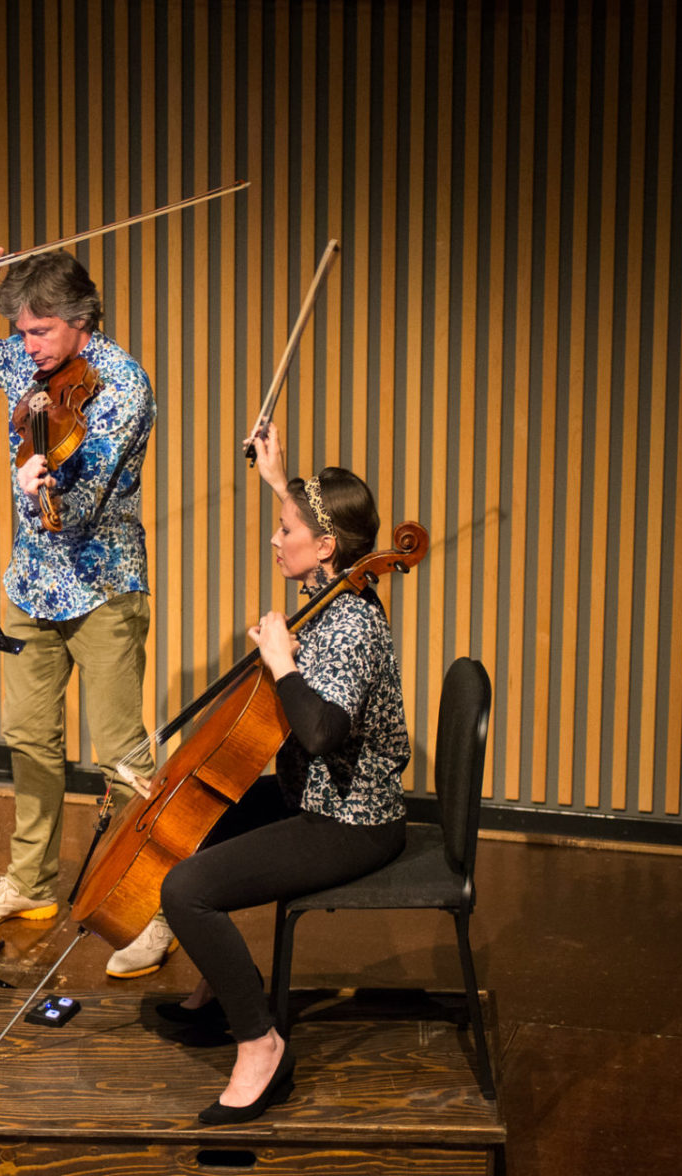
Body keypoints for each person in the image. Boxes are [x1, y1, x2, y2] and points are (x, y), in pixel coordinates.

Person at [0, 248, 172, 978]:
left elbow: (82, 507)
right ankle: (30, 885)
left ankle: (150, 909)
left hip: (104, 588)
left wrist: (36, 485)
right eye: (21, 334)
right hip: (31, 585)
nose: (26, 348)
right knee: (29, 739)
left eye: (38, 333)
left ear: (81, 322)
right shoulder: (24, 363)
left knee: (122, 758)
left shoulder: (122, 386)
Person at [157, 422, 410, 1124]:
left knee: (186, 891)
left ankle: (261, 1042)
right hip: (315, 795)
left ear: (326, 548)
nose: (275, 538)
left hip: (352, 819)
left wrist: (282, 662)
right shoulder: (330, 586)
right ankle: (222, 991)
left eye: (285, 528)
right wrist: (279, 480)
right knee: (191, 828)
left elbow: (323, 732)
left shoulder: (355, 621)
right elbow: (314, 528)